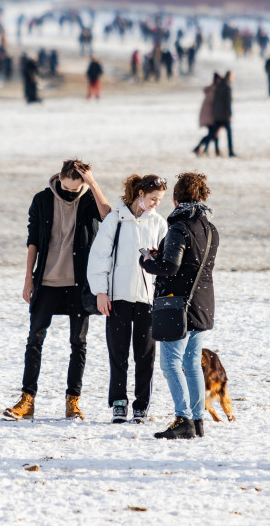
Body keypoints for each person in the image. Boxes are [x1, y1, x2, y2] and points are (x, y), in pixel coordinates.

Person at [3, 159, 110, 421]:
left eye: (78, 188)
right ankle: (27, 400)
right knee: (35, 341)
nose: (71, 192)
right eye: (68, 186)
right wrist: (28, 278)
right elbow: (33, 241)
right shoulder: (42, 199)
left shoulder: (88, 200)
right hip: (47, 281)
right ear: (59, 177)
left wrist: (93, 183)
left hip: (79, 285)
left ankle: (73, 402)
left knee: (78, 343)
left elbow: (108, 216)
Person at [139, 172, 219, 440]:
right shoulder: (210, 229)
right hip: (203, 303)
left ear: (175, 199)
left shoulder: (179, 228)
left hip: (178, 305)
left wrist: (148, 262)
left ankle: (183, 417)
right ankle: (197, 422)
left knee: (171, 364)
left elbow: (170, 267)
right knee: (192, 363)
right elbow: (196, 265)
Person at [87, 174, 168, 424]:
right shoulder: (115, 219)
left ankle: (141, 405)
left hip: (147, 299)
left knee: (145, 354)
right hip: (117, 297)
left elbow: (166, 262)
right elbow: (100, 256)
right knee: (118, 352)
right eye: (153, 198)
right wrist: (101, 291)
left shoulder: (158, 223)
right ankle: (119, 403)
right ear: (140, 194)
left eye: (160, 200)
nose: (156, 203)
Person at [193, 74, 220, 156]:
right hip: (209, 116)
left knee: (214, 133)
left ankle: (212, 150)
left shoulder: (212, 90)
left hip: (208, 115)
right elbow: (214, 105)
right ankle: (199, 148)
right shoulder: (213, 91)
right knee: (212, 133)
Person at [212, 71, 236, 157]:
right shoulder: (227, 87)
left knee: (213, 133)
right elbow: (228, 102)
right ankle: (230, 151)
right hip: (224, 115)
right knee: (229, 133)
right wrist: (229, 114)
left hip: (217, 114)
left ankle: (201, 147)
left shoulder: (218, 86)